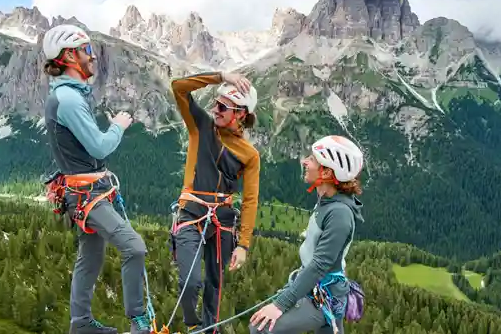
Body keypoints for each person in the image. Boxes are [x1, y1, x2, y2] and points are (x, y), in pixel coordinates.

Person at [41, 24, 151, 334]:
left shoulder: (66, 96)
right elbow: (99, 146)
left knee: (90, 257)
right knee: (134, 247)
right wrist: (118, 125)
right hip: (88, 195)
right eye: (87, 50)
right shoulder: (69, 100)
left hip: (86, 192)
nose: (93, 56)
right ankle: (138, 321)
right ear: (70, 56)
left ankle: (81, 324)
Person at [168, 71, 261, 333]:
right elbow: (178, 88)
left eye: (222, 107)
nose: (215, 110)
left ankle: (210, 330)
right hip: (191, 214)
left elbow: (251, 200)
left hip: (222, 220)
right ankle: (193, 325)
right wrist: (220, 76)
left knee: (214, 286)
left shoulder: (250, 154)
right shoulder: (201, 126)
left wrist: (243, 244)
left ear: (241, 114)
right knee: (190, 282)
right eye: (215, 103)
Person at [249, 135, 365, 334]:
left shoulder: (339, 214)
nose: (305, 161)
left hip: (324, 296)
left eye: (312, 159)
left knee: (260, 328)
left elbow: (320, 265)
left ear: (327, 172)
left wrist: (280, 305)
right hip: (322, 291)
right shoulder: (327, 200)